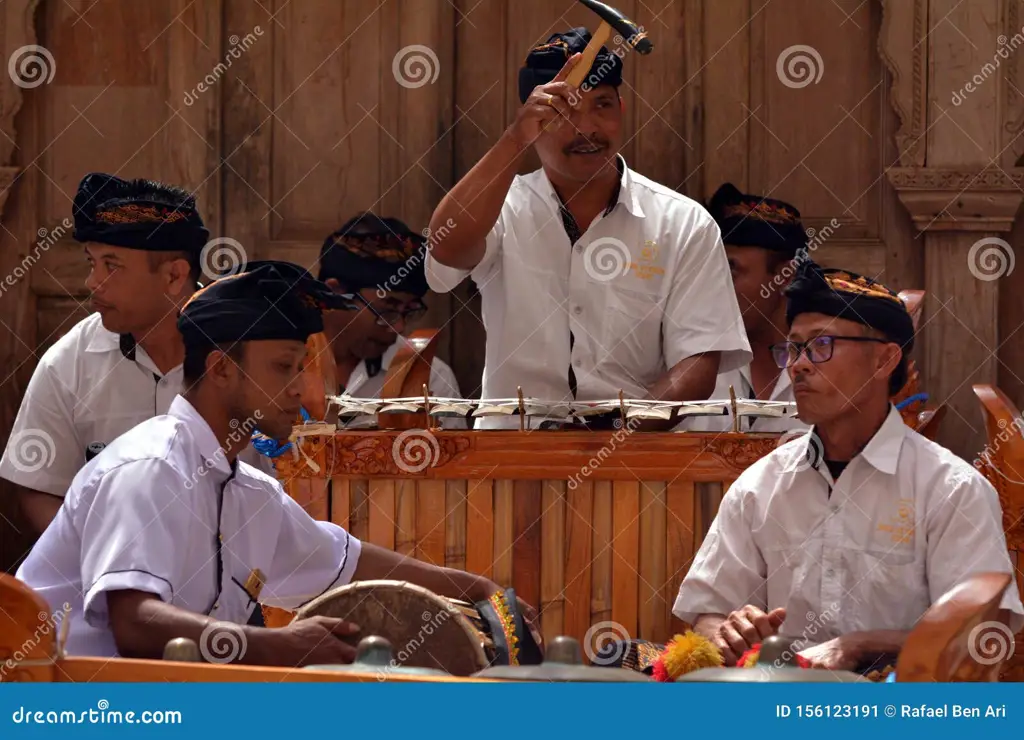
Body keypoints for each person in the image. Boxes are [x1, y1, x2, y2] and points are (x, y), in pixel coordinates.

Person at [15, 261, 538, 665]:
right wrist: (278, 645)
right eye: (285, 368)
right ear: (221, 369)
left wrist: (476, 588)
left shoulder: (248, 491)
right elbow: (135, 622)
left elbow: (348, 563)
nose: (299, 389)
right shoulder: (150, 467)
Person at [673, 260, 1024, 670]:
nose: (799, 365)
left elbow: (984, 631)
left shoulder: (950, 488)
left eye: (822, 345)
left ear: (884, 361)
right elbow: (707, 613)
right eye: (794, 348)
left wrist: (860, 645)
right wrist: (728, 633)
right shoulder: (761, 485)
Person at [424, 29, 749, 429]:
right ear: (533, 117)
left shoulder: (683, 223)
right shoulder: (502, 209)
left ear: (622, 108)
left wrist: (612, 440)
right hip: (512, 460)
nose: (587, 128)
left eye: (602, 105)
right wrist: (514, 139)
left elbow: (698, 362)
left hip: (634, 462)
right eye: (563, 112)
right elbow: (446, 249)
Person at [0, 173, 206, 535]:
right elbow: (36, 487)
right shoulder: (68, 363)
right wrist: (97, 558)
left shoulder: (242, 353)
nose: (92, 282)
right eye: (91, 262)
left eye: (112, 266)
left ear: (174, 276)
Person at [685, 184, 806, 433]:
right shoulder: (691, 361)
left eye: (730, 270)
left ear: (785, 275)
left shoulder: (826, 365)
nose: (715, 285)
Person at [318, 212, 460, 400]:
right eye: (387, 310)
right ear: (335, 293)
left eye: (408, 311)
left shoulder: (431, 378)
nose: (399, 328)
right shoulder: (280, 363)